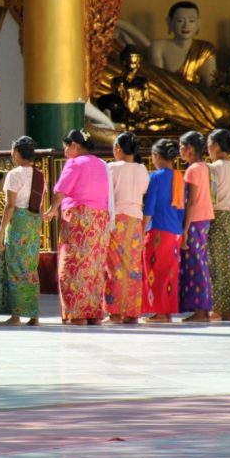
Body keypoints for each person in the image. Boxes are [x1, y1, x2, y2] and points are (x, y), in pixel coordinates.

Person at [43, 129, 111, 325]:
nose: (64, 151)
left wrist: (52, 209)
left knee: (72, 266)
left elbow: (61, 191)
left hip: (79, 219)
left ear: (74, 145)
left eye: (66, 146)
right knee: (94, 267)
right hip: (100, 221)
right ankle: (93, 314)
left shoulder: (74, 163)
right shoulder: (101, 164)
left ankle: (77, 314)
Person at [0, 136, 46, 327]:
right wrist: (38, 227)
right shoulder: (40, 176)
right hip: (33, 223)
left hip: (18, 224)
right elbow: (40, 205)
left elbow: (10, 206)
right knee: (30, 268)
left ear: (17, 153)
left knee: (15, 267)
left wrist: (0, 233)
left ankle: (16, 316)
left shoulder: (14, 174)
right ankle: (34, 315)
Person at [104, 132, 149, 324]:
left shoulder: (112, 168)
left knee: (114, 266)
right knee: (133, 267)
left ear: (118, 149)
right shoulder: (142, 169)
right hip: (136, 220)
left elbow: (107, 193)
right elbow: (145, 190)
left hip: (118, 220)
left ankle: (114, 312)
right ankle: (131, 312)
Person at [141, 139, 185, 322]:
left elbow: (149, 208)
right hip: (175, 232)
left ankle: (159, 313)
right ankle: (166, 312)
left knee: (154, 271)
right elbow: (182, 208)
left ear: (157, 156)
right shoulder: (179, 177)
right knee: (170, 273)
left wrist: (142, 230)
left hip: (158, 231)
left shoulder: (155, 177)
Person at [207, 129, 230, 321]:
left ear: (215, 146)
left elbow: (211, 196)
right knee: (228, 265)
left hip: (217, 216)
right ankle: (229, 309)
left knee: (215, 264)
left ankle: (218, 308)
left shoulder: (214, 168)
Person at [178, 131, 214, 321]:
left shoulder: (192, 170)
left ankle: (200, 310)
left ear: (190, 148)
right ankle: (203, 309)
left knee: (195, 264)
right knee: (200, 262)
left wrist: (184, 228)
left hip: (194, 219)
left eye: (182, 147)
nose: (180, 151)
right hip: (204, 219)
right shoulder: (205, 167)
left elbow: (191, 202)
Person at [148, 1, 216, 88]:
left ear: (198, 23)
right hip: (166, 97)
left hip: (196, 97)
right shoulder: (158, 46)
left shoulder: (205, 49)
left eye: (191, 21)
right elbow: (158, 81)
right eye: (180, 21)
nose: (186, 26)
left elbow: (211, 84)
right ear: (170, 22)